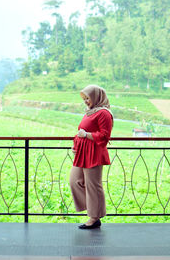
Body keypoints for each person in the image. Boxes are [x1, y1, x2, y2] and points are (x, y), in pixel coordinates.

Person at [70, 85, 113, 229]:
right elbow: (80, 132)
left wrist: (86, 135)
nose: (86, 101)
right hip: (82, 152)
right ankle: (94, 208)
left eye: (88, 98)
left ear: (96, 97)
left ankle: (94, 217)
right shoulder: (89, 112)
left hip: (94, 153)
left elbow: (105, 136)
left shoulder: (104, 113)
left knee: (93, 185)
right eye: (84, 98)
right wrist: (76, 145)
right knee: (75, 181)